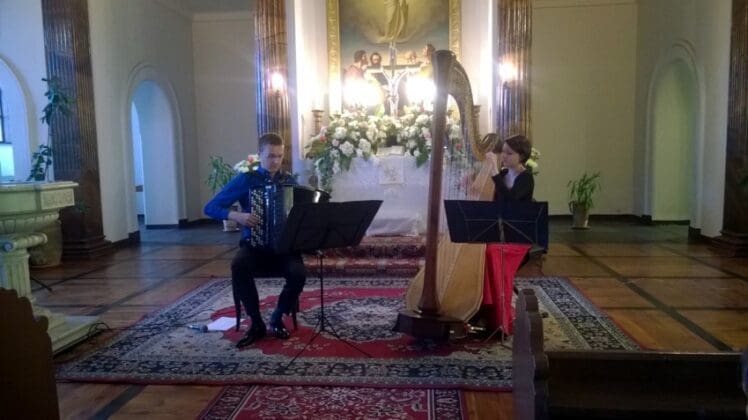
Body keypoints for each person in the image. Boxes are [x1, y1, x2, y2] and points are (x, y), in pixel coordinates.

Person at [204, 133, 305, 348]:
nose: (275, 161)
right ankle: (256, 323)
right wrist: (237, 216)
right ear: (260, 155)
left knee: (299, 274)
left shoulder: (289, 181)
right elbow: (211, 207)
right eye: (270, 156)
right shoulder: (247, 180)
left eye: (279, 156)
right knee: (239, 266)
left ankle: (277, 317)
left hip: (283, 247)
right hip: (255, 245)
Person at [485, 134, 534, 202]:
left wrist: (494, 171)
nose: (503, 156)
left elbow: (510, 200)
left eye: (509, 153)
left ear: (522, 157)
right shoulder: (503, 173)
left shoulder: (526, 178)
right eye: (503, 151)